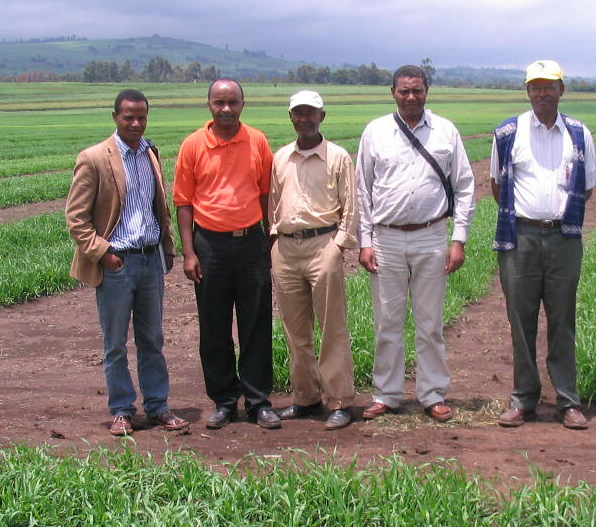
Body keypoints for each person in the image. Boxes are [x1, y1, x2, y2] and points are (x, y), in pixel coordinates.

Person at [65, 88, 189, 436]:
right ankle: (121, 410)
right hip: (117, 263)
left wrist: (167, 248)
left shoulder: (150, 153)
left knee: (152, 339)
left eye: (141, 117)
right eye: (129, 116)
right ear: (115, 117)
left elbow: (157, 206)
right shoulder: (93, 158)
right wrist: (105, 255)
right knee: (115, 343)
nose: (136, 122)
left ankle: (157, 407)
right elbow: (76, 219)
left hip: (150, 261)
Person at [356, 65, 476, 422]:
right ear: (392, 91)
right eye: (404, 91)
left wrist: (459, 238)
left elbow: (466, 186)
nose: (411, 97)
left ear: (428, 91)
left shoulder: (446, 131)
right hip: (386, 238)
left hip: (431, 235)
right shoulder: (375, 132)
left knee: (430, 322)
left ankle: (432, 394)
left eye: (417, 91)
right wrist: (365, 241)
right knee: (387, 322)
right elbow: (363, 190)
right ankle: (386, 394)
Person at [490, 59, 596, 429]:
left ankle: (567, 401)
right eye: (535, 87)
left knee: (562, 320)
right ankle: (523, 400)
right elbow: (496, 185)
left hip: (563, 239)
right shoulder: (508, 133)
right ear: (527, 91)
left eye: (548, 86)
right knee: (520, 322)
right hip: (520, 238)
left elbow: (587, 185)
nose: (542, 93)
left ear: (561, 91)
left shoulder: (579, 133)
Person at [173, 78, 280, 430]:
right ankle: (222, 400)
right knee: (214, 326)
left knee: (256, 323)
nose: (226, 109)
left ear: (243, 104)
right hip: (210, 246)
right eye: (219, 102)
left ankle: (257, 400)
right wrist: (189, 253)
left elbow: (265, 194)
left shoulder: (257, 141)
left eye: (232, 102)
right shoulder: (192, 145)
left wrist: (267, 239)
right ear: (209, 105)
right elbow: (184, 203)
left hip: (250, 242)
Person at [269, 90, 358, 431]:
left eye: (310, 113)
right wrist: (275, 241)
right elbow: (273, 204)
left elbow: (350, 206)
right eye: (298, 113)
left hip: (324, 245)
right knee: (295, 331)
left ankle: (339, 401)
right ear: (291, 117)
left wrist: (339, 245)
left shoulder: (337, 157)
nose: (304, 118)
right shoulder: (281, 158)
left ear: (323, 115)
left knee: (332, 327)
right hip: (287, 249)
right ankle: (305, 398)